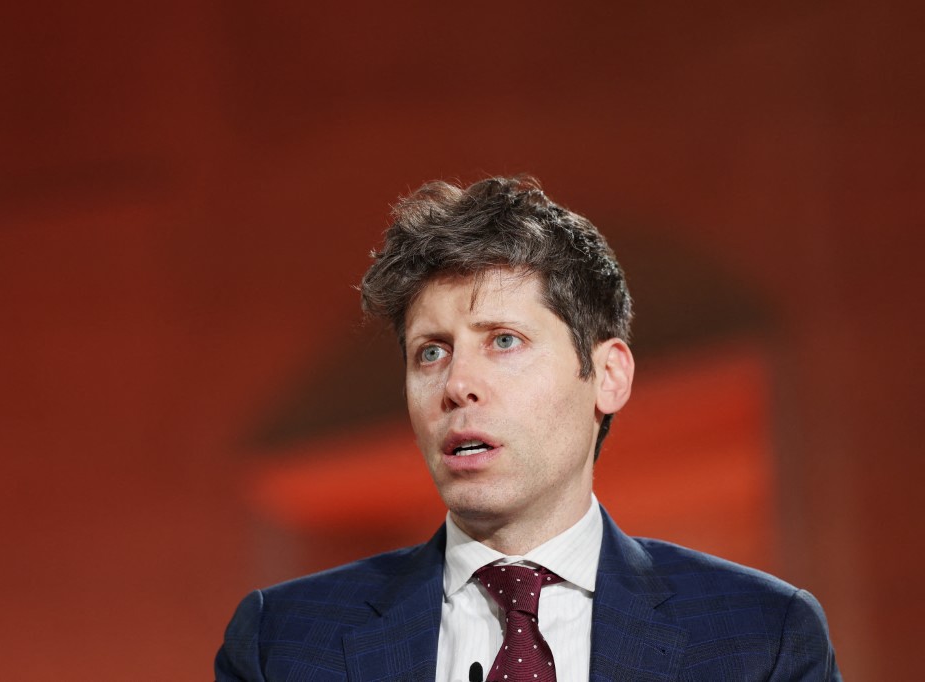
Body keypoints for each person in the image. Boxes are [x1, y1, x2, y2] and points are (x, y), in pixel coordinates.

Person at [215, 176, 840, 681]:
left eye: (504, 341)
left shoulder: (761, 637)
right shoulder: (283, 643)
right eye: (431, 352)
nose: (457, 383)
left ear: (607, 375)